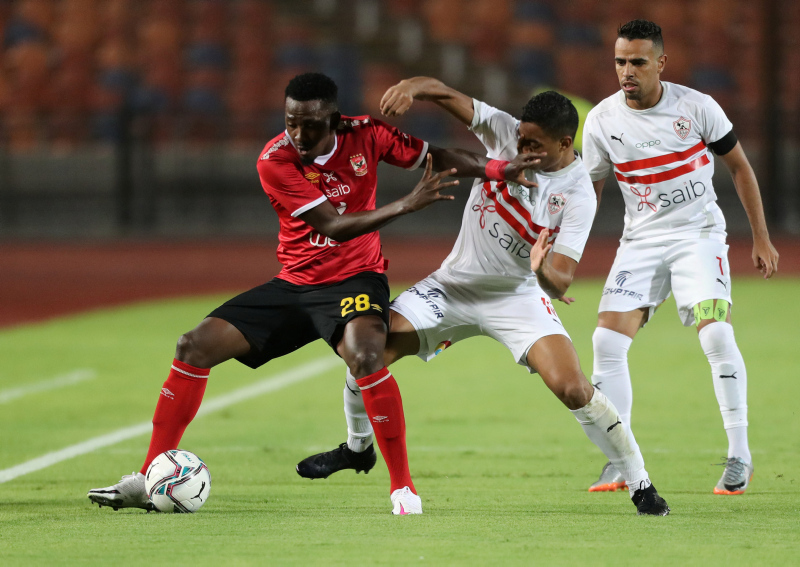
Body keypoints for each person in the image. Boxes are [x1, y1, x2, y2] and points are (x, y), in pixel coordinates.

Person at [87, 72, 542, 515]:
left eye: (310, 125)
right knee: (193, 346)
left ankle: (402, 486)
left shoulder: (367, 135)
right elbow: (333, 226)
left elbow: (438, 156)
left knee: (367, 357)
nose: (299, 135)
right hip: (296, 283)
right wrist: (406, 204)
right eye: (291, 123)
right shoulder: (275, 160)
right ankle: (148, 477)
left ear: (335, 122)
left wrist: (500, 169)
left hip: (356, 279)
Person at [296, 76, 671, 516]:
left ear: (565, 143)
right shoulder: (504, 130)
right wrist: (412, 87)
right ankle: (358, 448)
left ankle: (640, 482)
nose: (521, 149)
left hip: (517, 298)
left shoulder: (578, 193)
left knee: (573, 388)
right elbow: (444, 93)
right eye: (521, 139)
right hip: (452, 287)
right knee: (367, 353)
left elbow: (561, 282)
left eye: (533, 145)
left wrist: (540, 269)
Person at [581, 20, 779, 495]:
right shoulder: (602, 120)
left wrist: (761, 237)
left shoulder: (696, 107)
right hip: (640, 242)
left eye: (637, 62)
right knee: (606, 342)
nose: (626, 71)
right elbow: (590, 189)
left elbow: (739, 167)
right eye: (620, 62)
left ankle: (739, 455)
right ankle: (620, 461)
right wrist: (566, 252)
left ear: (661, 63)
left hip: (698, 236)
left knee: (716, 333)